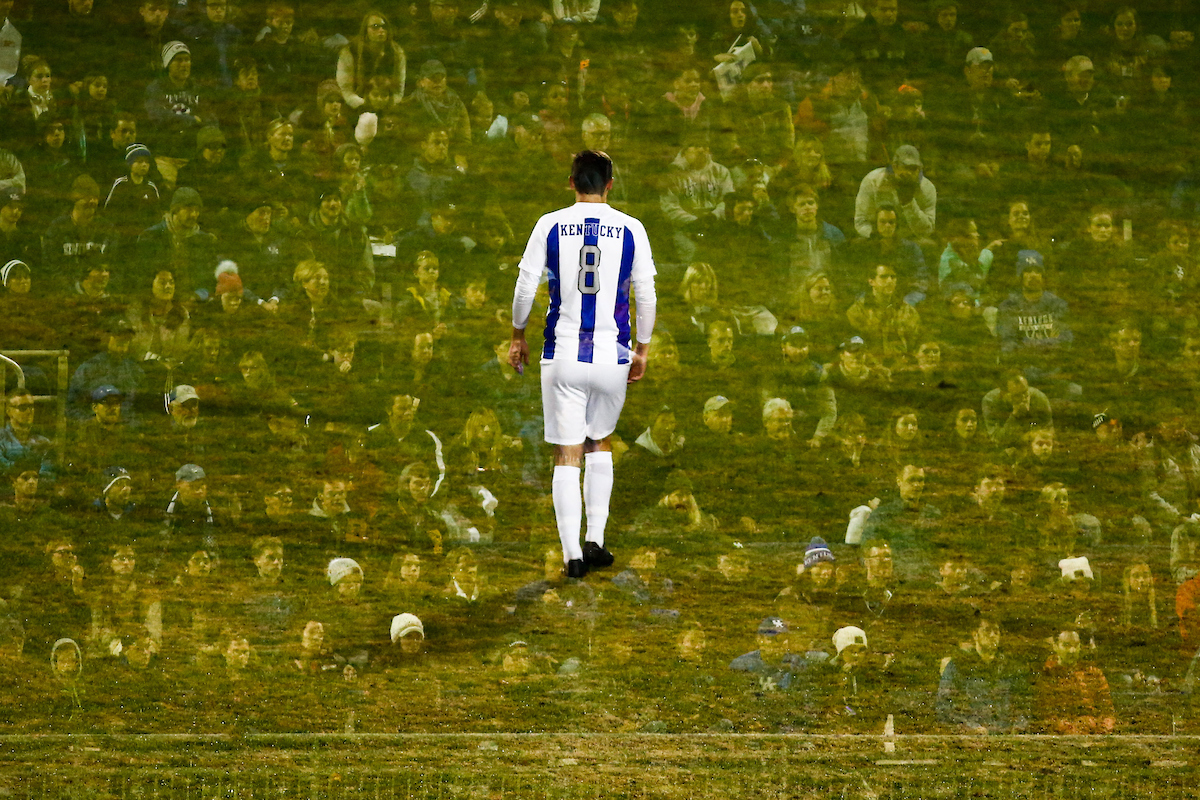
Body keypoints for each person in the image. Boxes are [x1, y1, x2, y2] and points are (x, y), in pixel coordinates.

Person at [508, 150, 657, 578]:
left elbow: (525, 286)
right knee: (600, 442)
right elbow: (644, 294)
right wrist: (642, 349)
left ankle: (573, 554)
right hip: (613, 355)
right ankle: (597, 539)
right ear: (611, 184)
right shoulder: (632, 228)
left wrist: (518, 334)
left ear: (571, 182)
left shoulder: (549, 224)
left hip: (563, 355)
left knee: (566, 452)